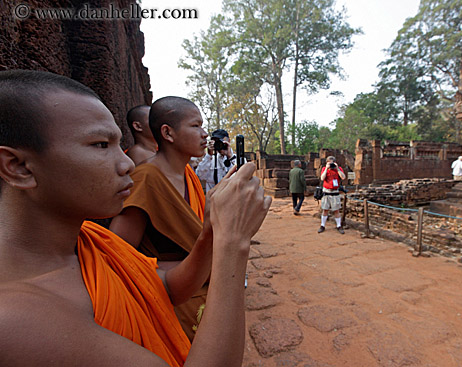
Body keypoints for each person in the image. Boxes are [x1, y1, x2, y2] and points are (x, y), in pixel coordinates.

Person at [0, 69, 271, 367]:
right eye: (101, 145)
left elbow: (166, 288)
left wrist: (212, 233)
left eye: (119, 144)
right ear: (19, 167)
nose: (128, 163)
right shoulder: (16, 319)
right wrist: (233, 244)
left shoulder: (90, 243)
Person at [110, 96, 209, 341]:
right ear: (168, 133)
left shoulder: (189, 176)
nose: (205, 133)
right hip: (169, 300)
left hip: (201, 292)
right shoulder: (147, 179)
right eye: (195, 126)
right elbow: (116, 253)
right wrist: (180, 269)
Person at [318, 156, 346, 234]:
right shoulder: (324, 169)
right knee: (325, 210)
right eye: (329, 163)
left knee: (336, 210)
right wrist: (327, 168)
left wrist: (337, 169)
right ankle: (322, 225)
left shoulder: (338, 169)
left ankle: (339, 225)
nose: (331, 165)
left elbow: (343, 177)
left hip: (335, 192)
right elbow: (322, 178)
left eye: (332, 163)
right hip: (326, 192)